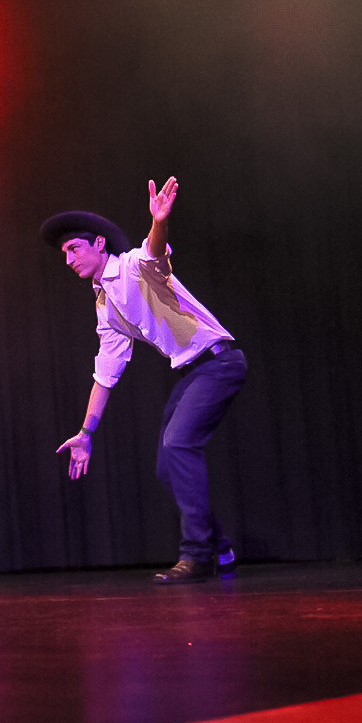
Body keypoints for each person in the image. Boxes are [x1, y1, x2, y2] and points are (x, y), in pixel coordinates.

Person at [43, 176, 247, 583]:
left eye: (74, 248)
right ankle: (220, 548)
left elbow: (155, 253)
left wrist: (159, 222)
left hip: (219, 363)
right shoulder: (105, 306)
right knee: (169, 467)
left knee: (179, 445)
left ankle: (196, 556)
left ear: (99, 243)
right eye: (64, 253)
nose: (68, 259)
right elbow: (107, 371)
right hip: (192, 372)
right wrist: (86, 433)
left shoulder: (134, 266)